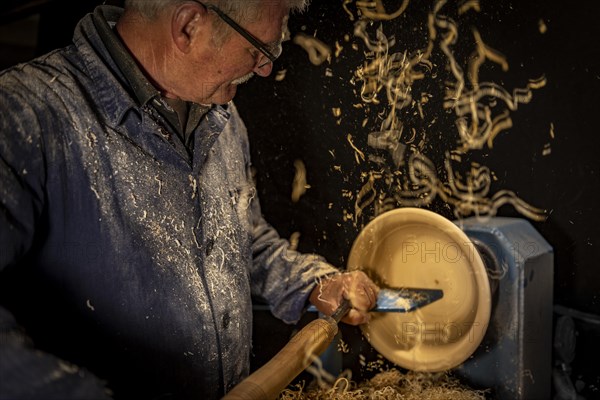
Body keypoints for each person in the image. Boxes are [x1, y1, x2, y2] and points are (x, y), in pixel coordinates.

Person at [0, 0, 380, 398]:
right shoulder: (25, 117)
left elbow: (245, 241)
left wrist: (313, 285)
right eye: (257, 49)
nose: (265, 68)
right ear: (187, 26)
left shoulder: (221, 115)